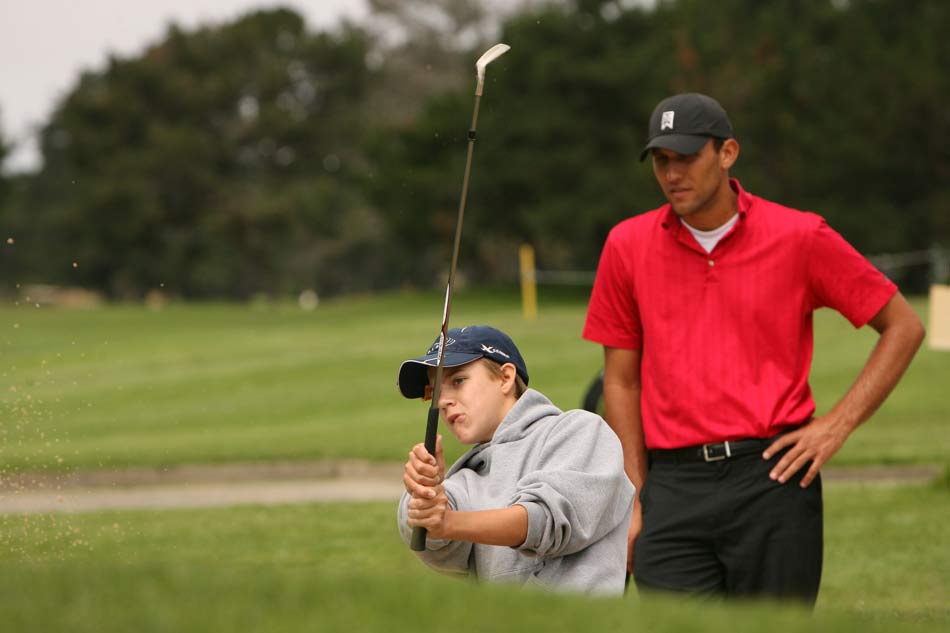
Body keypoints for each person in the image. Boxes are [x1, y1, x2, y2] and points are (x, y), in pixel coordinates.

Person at [582, 93, 925, 603]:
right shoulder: (626, 246)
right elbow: (621, 381)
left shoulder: (799, 236)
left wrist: (836, 426)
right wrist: (632, 497)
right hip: (671, 486)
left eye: (686, 157)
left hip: (774, 479)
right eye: (661, 160)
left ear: (727, 153)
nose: (672, 173)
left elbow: (903, 326)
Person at [396, 325, 634, 595]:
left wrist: (448, 522)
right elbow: (439, 547)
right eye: (434, 391)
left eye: (458, 381)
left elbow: (547, 521)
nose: (443, 401)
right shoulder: (468, 475)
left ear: (505, 378)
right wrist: (424, 497)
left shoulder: (580, 431)